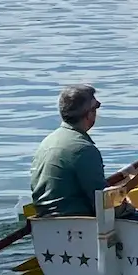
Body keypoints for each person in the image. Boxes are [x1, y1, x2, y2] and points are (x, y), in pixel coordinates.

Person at [30, 84, 109, 217]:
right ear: (89, 113)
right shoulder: (84, 149)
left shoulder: (46, 143)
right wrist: (128, 207)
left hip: (43, 219)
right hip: (77, 221)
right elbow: (102, 202)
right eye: (96, 107)